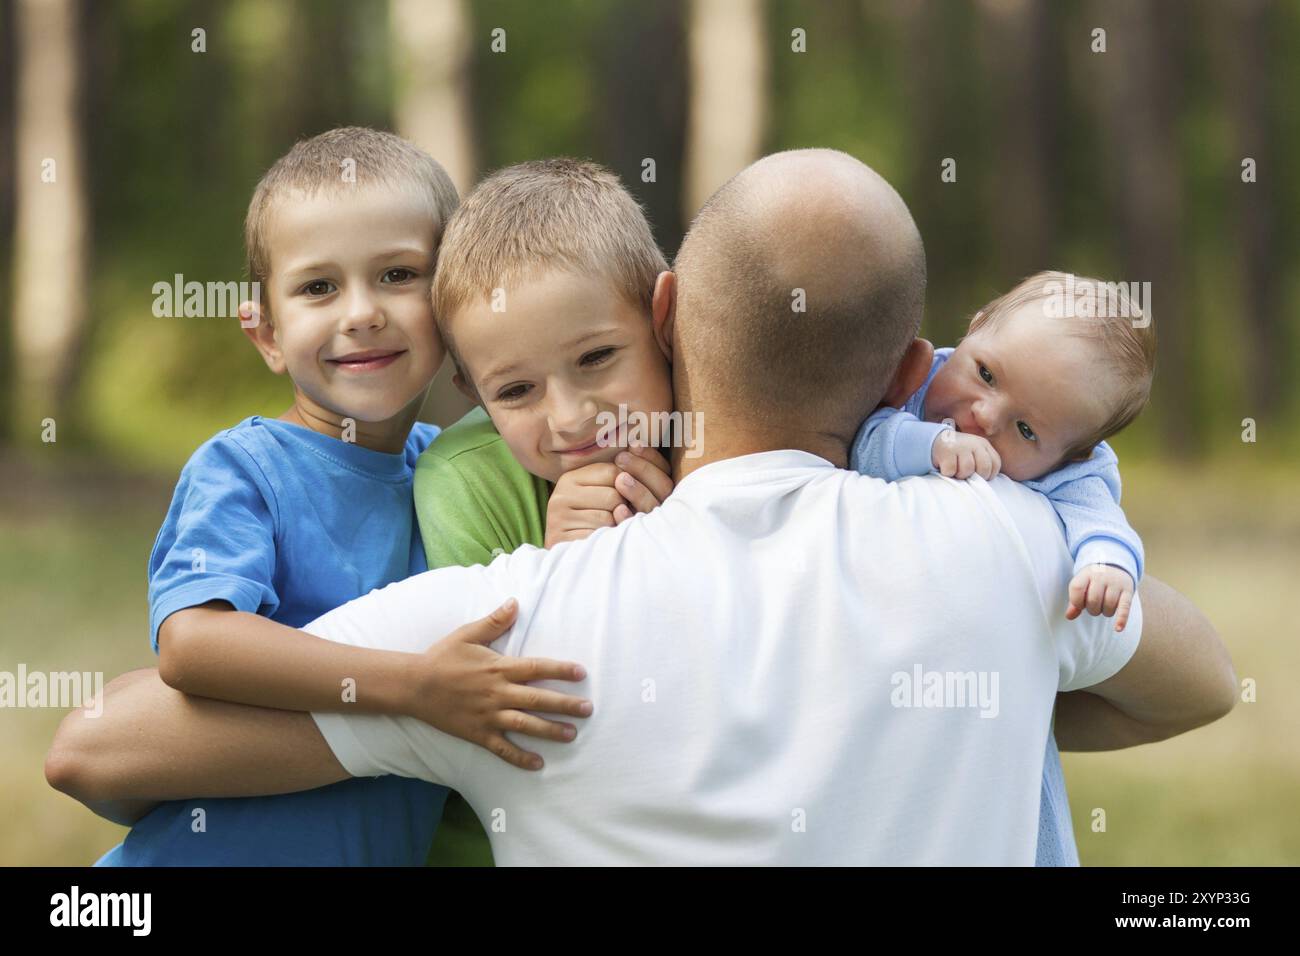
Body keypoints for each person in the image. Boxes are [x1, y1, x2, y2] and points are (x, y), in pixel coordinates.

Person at [48, 149, 1236, 865]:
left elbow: (96, 749)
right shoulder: (1002, 548)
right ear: (906, 364)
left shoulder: (525, 627)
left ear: (665, 316)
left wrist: (418, 708)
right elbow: (1200, 683)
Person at [90, 128, 587, 866]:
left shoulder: (460, 472)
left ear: (450, 306)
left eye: (397, 275)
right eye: (319, 287)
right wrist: (414, 687)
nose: (361, 312)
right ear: (264, 332)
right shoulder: (246, 467)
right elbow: (193, 645)